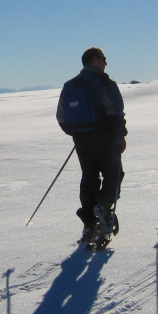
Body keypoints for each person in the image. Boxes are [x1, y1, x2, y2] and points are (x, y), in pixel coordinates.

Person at [56, 47, 127, 246]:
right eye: (103, 59)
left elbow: (61, 116)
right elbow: (115, 111)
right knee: (114, 173)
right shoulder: (104, 82)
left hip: (81, 139)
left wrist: (78, 133)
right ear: (94, 60)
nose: (105, 63)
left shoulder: (70, 85)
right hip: (103, 137)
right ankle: (103, 210)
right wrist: (119, 137)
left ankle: (89, 222)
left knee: (89, 177)